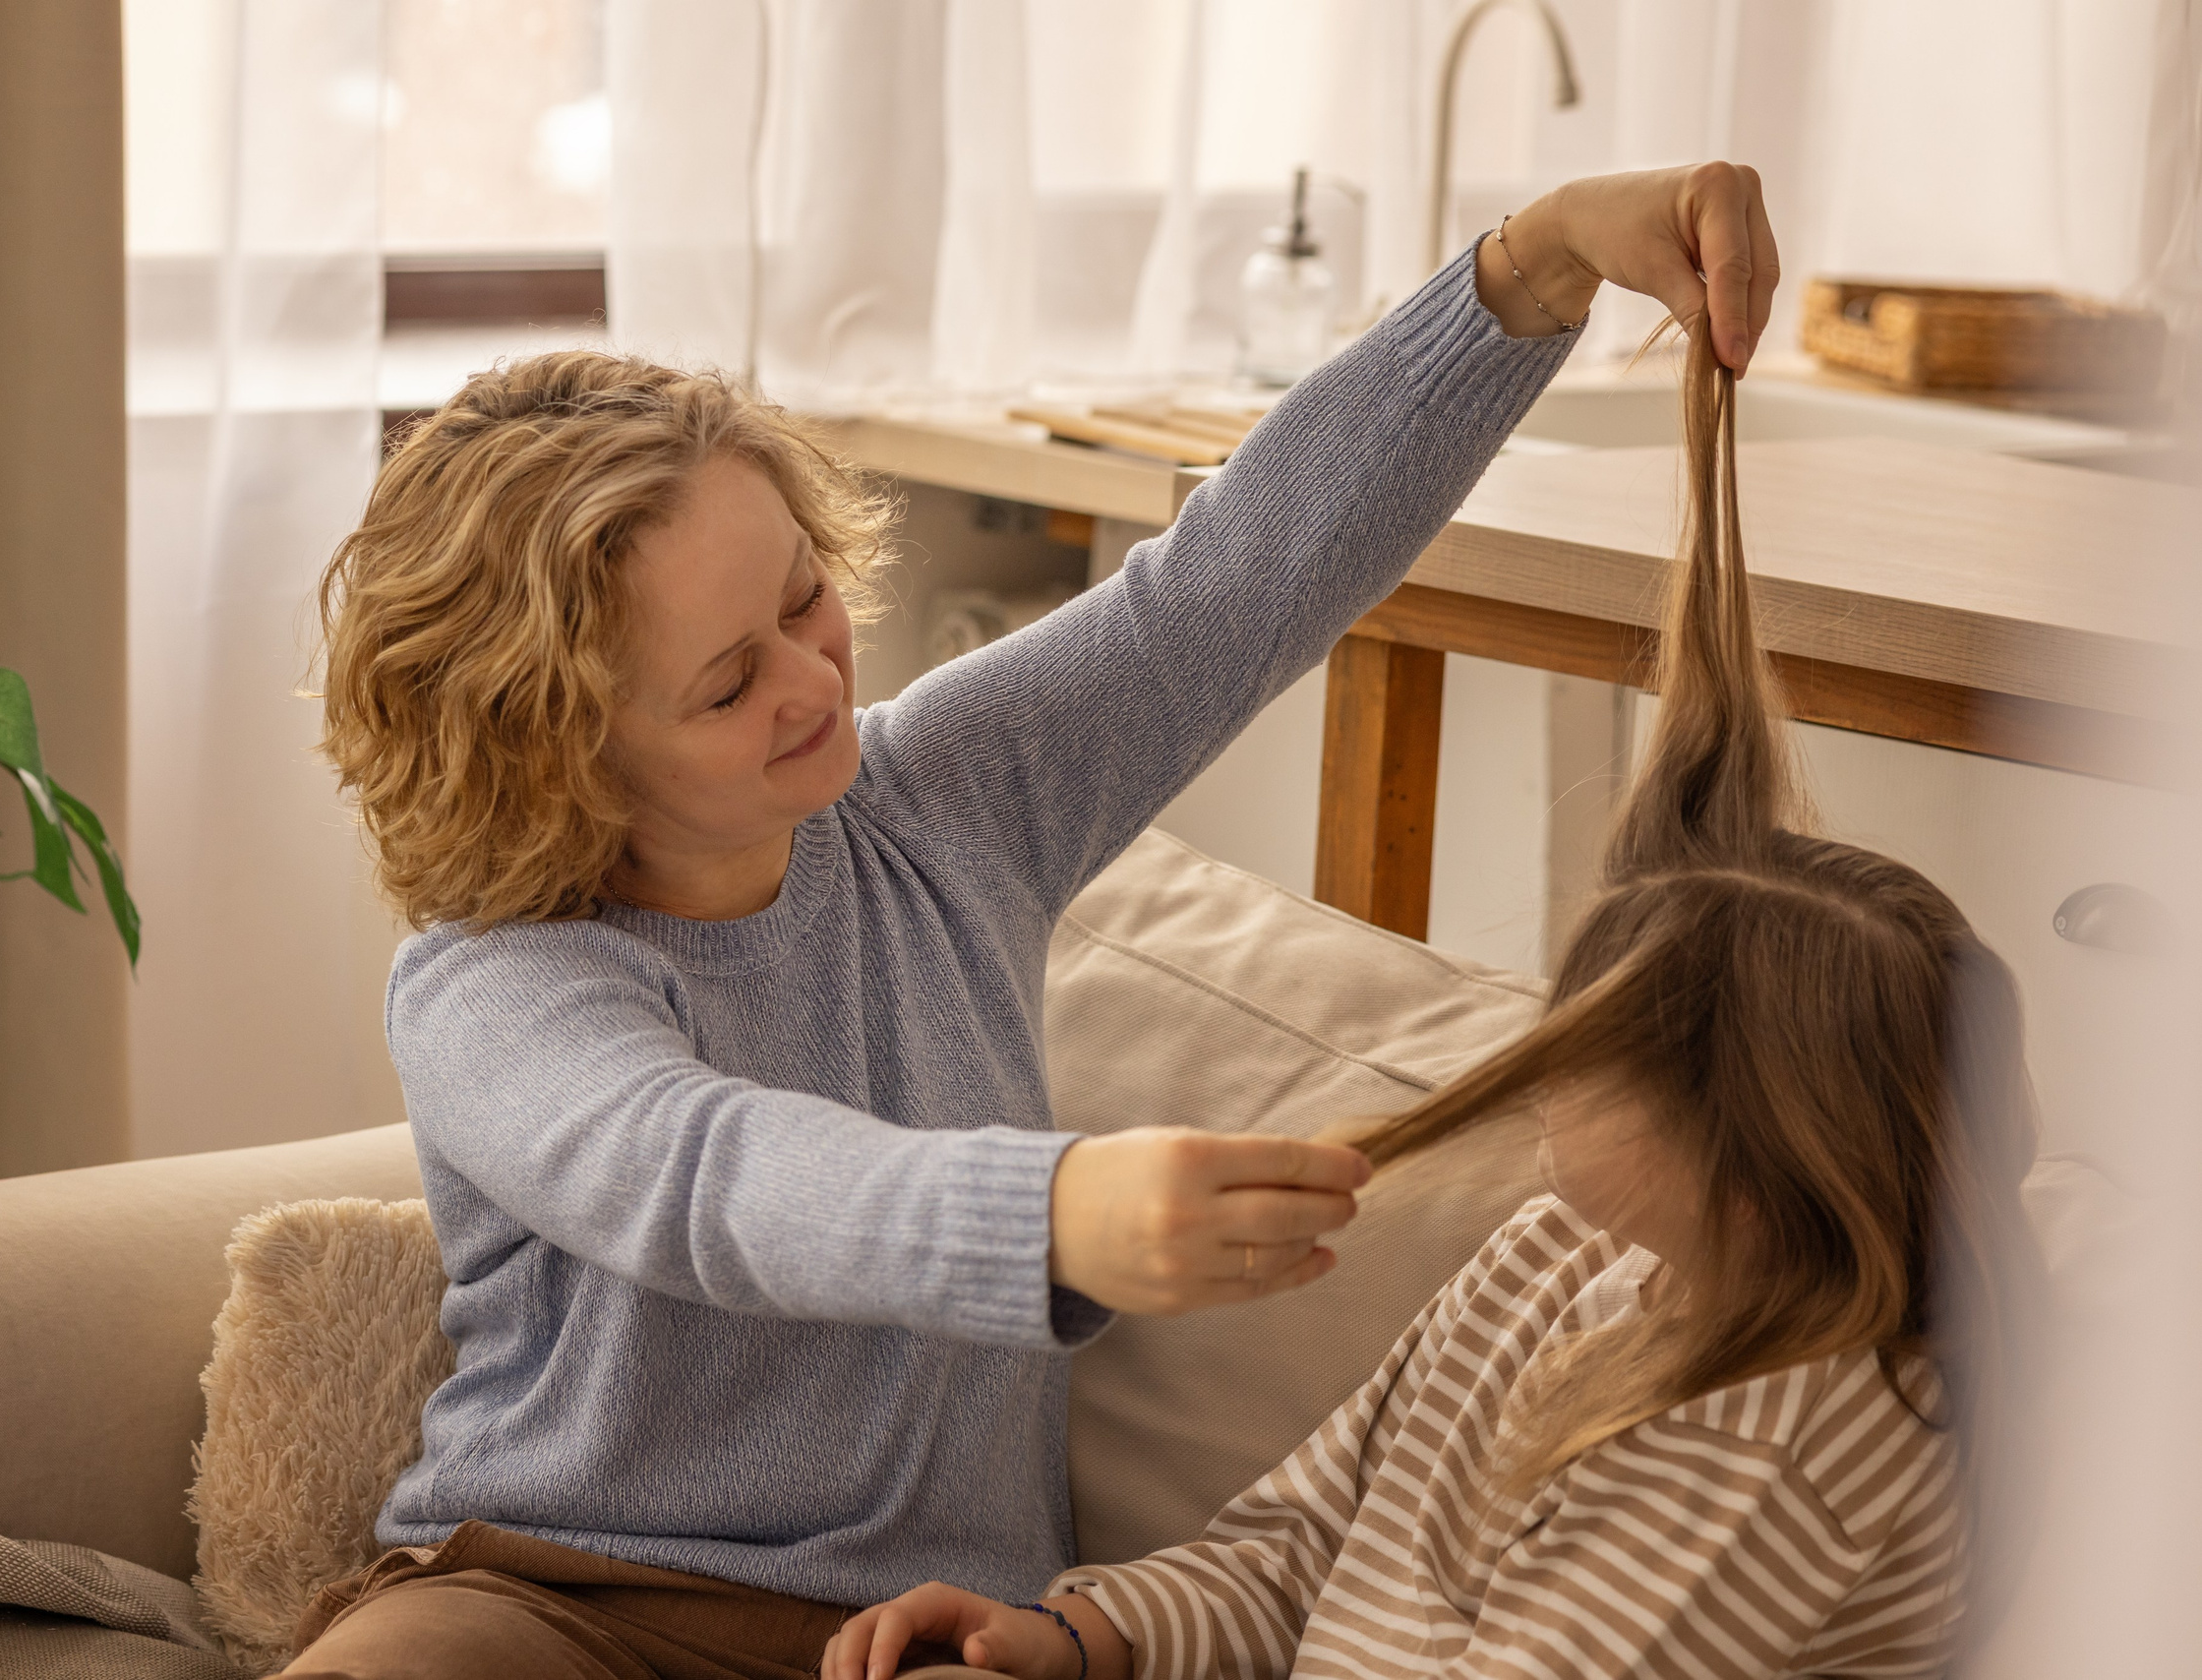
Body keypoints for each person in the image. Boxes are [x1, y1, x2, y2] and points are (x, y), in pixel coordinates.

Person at [285, 167, 1783, 1680]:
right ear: (554, 754)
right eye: (728, 683)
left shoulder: (946, 798)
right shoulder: (492, 988)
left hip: (916, 1636)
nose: (814, 682)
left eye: (805, 600)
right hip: (551, 1606)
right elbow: (704, 1177)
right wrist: (1054, 1217)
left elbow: (1235, 583)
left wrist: (1530, 269)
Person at [820, 326, 2044, 1680]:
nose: (1542, 1069)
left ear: (1749, 1164)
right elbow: (1297, 1545)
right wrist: (1070, 1637)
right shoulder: (1552, 1255)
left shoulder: (1800, 1433)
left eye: (1592, 1058)